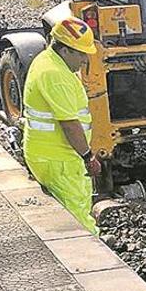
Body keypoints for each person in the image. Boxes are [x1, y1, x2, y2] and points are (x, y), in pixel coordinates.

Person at [23, 17, 101, 234]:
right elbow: (69, 123)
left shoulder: (49, 61)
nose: (85, 59)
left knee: (76, 207)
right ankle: (90, 259)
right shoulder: (55, 75)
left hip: (54, 155)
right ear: (65, 50)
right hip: (59, 160)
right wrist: (88, 156)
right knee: (78, 220)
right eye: (81, 53)